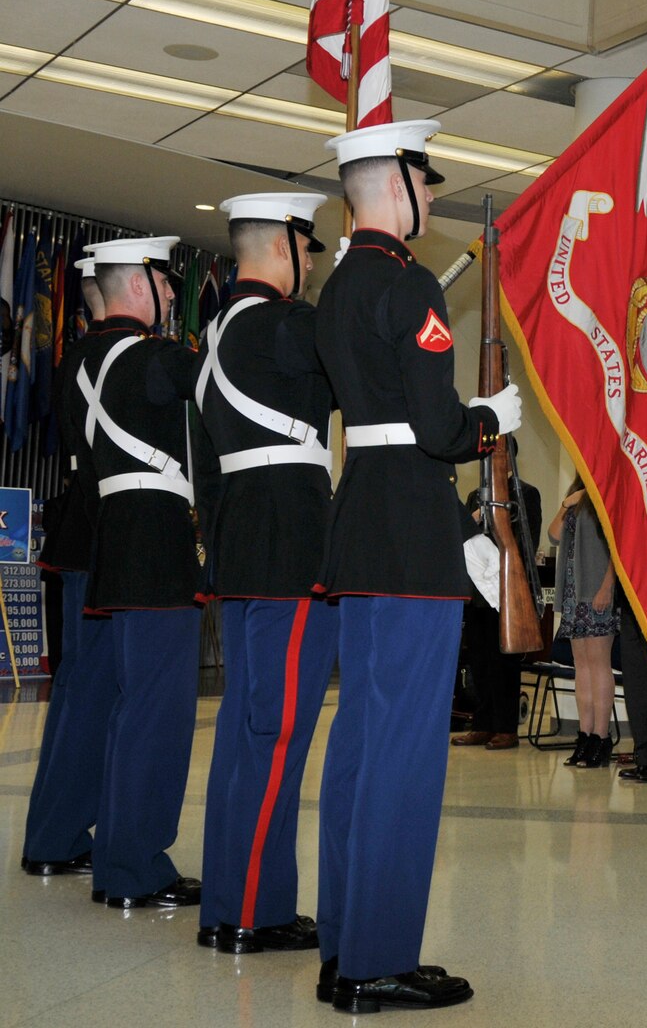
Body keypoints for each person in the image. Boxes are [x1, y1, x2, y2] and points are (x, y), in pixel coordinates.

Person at [314, 119, 521, 1013]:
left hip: (362, 528)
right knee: (401, 760)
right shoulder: (410, 283)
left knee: (360, 750)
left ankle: (342, 946)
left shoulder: (332, 287)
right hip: (410, 536)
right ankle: (378, 961)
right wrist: (492, 419)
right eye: (425, 181)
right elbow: (439, 429)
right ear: (393, 182)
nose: (431, 196)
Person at [194, 193, 336, 956]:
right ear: (281, 245)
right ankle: (254, 912)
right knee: (277, 736)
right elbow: (359, 369)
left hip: (245, 547)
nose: (310, 264)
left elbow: (204, 471)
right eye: (307, 250)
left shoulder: (214, 332)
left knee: (246, 740)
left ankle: (230, 902)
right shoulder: (282, 327)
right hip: (290, 543)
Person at [63, 235, 206, 911]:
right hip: (155, 544)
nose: (174, 294)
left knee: (129, 712)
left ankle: (120, 854)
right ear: (139, 285)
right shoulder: (153, 358)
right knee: (157, 714)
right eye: (165, 282)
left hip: (114, 541)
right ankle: (132, 866)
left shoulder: (82, 360)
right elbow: (224, 384)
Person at [20, 256, 114, 879]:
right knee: (90, 693)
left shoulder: (78, 354)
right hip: (101, 533)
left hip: (81, 529)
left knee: (80, 691)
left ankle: (53, 830)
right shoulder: (109, 357)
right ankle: (57, 836)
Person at [452, 478, 542, 751]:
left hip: (507, 589)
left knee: (505, 663)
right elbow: (463, 537)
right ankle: (482, 724)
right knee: (479, 663)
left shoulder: (525, 493)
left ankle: (505, 728)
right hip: (477, 592)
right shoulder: (474, 495)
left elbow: (528, 540)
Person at [549, 478, 619, 768]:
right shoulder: (576, 494)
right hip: (572, 591)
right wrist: (568, 503)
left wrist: (607, 587)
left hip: (597, 588)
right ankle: (584, 736)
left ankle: (601, 739)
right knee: (582, 667)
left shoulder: (609, 490)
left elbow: (619, 546)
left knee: (598, 664)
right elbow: (553, 535)